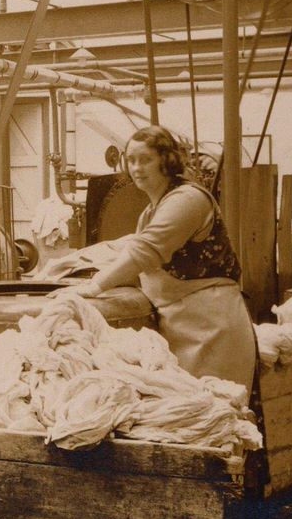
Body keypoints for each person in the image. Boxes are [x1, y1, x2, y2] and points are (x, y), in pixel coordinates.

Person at [54, 125, 257, 390]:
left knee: (211, 410)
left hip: (212, 328)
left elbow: (144, 253)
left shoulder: (187, 199)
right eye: (132, 160)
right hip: (184, 326)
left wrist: (93, 287)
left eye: (146, 159)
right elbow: (134, 250)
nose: (137, 168)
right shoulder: (152, 211)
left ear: (166, 161)